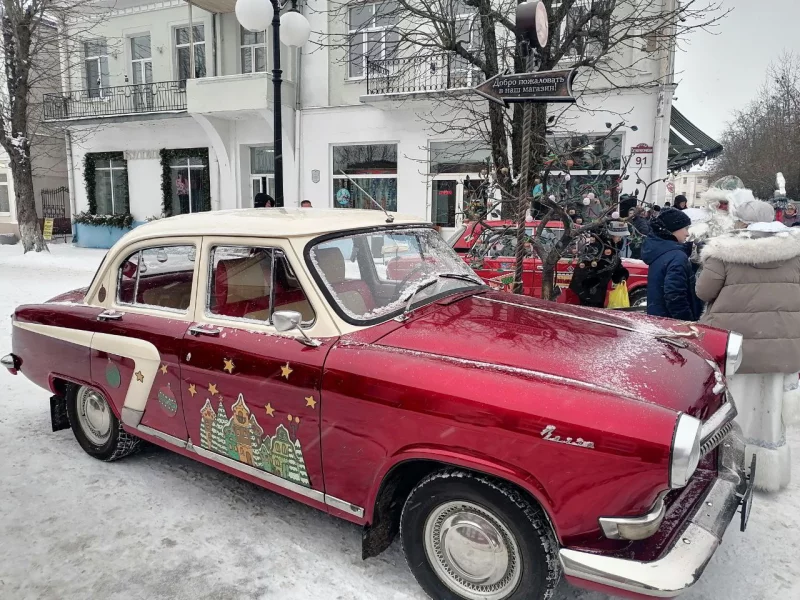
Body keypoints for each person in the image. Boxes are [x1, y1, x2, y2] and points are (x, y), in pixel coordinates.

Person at [696, 199, 800, 492]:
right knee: (770, 408)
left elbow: (704, 291)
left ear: (741, 221)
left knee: (734, 405)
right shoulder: (795, 252)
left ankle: (729, 465)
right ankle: (768, 472)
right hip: (783, 343)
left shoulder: (724, 251)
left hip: (734, 344)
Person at [641, 208, 701, 321]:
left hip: (657, 318)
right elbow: (675, 296)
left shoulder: (660, 252)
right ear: (674, 229)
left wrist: (690, 248)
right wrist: (687, 322)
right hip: (673, 325)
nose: (687, 233)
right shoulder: (677, 257)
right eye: (685, 228)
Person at [568, 227, 629, 308]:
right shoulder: (596, 247)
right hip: (587, 290)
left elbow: (615, 264)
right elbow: (584, 269)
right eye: (618, 236)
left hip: (599, 289)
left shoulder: (612, 247)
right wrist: (592, 285)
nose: (620, 239)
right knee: (589, 313)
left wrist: (621, 275)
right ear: (611, 235)